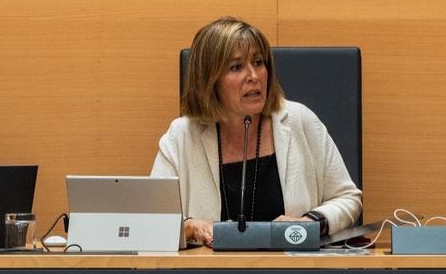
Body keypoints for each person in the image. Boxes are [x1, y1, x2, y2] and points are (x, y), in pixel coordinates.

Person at [152, 16, 362, 245]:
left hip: (293, 272)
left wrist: (310, 221)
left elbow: (348, 199)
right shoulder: (181, 136)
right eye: (236, 67)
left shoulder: (299, 121)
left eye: (259, 62)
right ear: (208, 80)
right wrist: (190, 227)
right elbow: (152, 219)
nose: (253, 76)